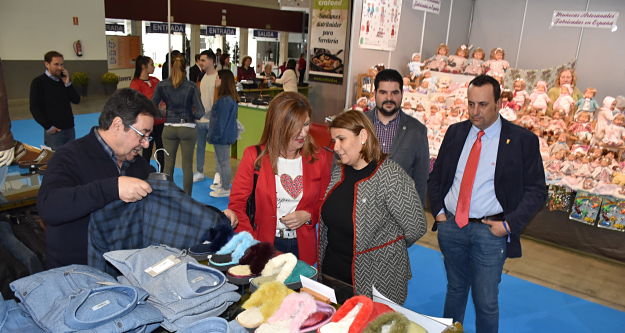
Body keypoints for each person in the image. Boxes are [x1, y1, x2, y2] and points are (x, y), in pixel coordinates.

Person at [428, 75, 547, 332]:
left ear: (499, 103)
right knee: (455, 290)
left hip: (491, 233)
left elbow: (537, 190)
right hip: (451, 226)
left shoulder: (522, 140)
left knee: (486, 301)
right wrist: (438, 212)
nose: (474, 111)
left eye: (482, 105)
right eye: (470, 104)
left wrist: (508, 225)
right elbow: (437, 175)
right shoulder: (456, 132)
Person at [37, 88, 157, 268]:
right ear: (117, 125)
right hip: (77, 272)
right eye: (142, 134)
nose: (146, 144)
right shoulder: (69, 157)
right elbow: (49, 207)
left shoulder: (138, 165)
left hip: (124, 267)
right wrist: (112, 188)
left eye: (148, 136)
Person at [319, 110, 427, 304]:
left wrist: (384, 248)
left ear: (362, 136)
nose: (335, 147)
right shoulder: (339, 172)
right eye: (333, 140)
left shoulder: (391, 176)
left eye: (341, 139)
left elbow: (416, 227)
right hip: (332, 276)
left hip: (375, 283)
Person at [228, 92, 332, 265]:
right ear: (278, 126)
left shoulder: (318, 158)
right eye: (296, 126)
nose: (303, 132)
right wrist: (253, 244)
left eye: (306, 124)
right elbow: (237, 206)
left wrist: (308, 215)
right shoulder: (254, 157)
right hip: (264, 244)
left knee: (298, 291)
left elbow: (326, 201)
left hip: (303, 247)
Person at [364, 69, 429, 206]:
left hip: (399, 213)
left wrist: (416, 216)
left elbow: (421, 179)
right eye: (383, 92)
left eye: (394, 93)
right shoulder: (359, 124)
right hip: (360, 209)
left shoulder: (417, 131)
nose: (389, 98)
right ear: (374, 94)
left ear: (402, 94)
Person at [152, 54, 204, 195]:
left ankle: (168, 197)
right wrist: (190, 115)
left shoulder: (161, 85)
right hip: (187, 128)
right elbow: (200, 112)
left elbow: (151, 107)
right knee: (187, 166)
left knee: (168, 165)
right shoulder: (191, 86)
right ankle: (187, 198)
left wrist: (164, 114)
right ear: (185, 67)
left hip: (169, 127)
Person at [29, 51, 80, 150]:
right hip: (54, 132)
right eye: (56, 64)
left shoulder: (64, 81)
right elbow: (34, 108)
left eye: (62, 64)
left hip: (70, 128)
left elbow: (76, 100)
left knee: (71, 159)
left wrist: (68, 83)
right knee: (55, 161)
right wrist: (48, 127)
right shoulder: (38, 82)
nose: (60, 68)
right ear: (47, 64)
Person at [130, 55, 165, 170]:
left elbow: (164, 96)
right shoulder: (135, 84)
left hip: (160, 121)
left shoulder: (155, 80)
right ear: (143, 66)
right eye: (151, 64)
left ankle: (162, 173)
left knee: (161, 149)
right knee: (147, 150)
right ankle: (145, 173)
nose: (153, 67)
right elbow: (138, 104)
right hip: (146, 125)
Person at [207, 70, 239, 198]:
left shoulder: (225, 100)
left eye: (218, 78)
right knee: (220, 161)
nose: (216, 81)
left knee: (223, 162)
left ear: (223, 80)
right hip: (223, 136)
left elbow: (221, 121)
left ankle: (226, 187)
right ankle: (222, 184)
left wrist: (215, 135)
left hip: (221, 137)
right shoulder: (228, 99)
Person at [194, 49, 219, 184]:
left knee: (217, 149)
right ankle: (199, 171)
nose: (201, 63)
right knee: (200, 147)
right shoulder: (203, 77)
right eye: (200, 60)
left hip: (213, 119)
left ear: (211, 61)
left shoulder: (218, 77)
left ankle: (218, 174)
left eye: (203, 60)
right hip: (201, 119)